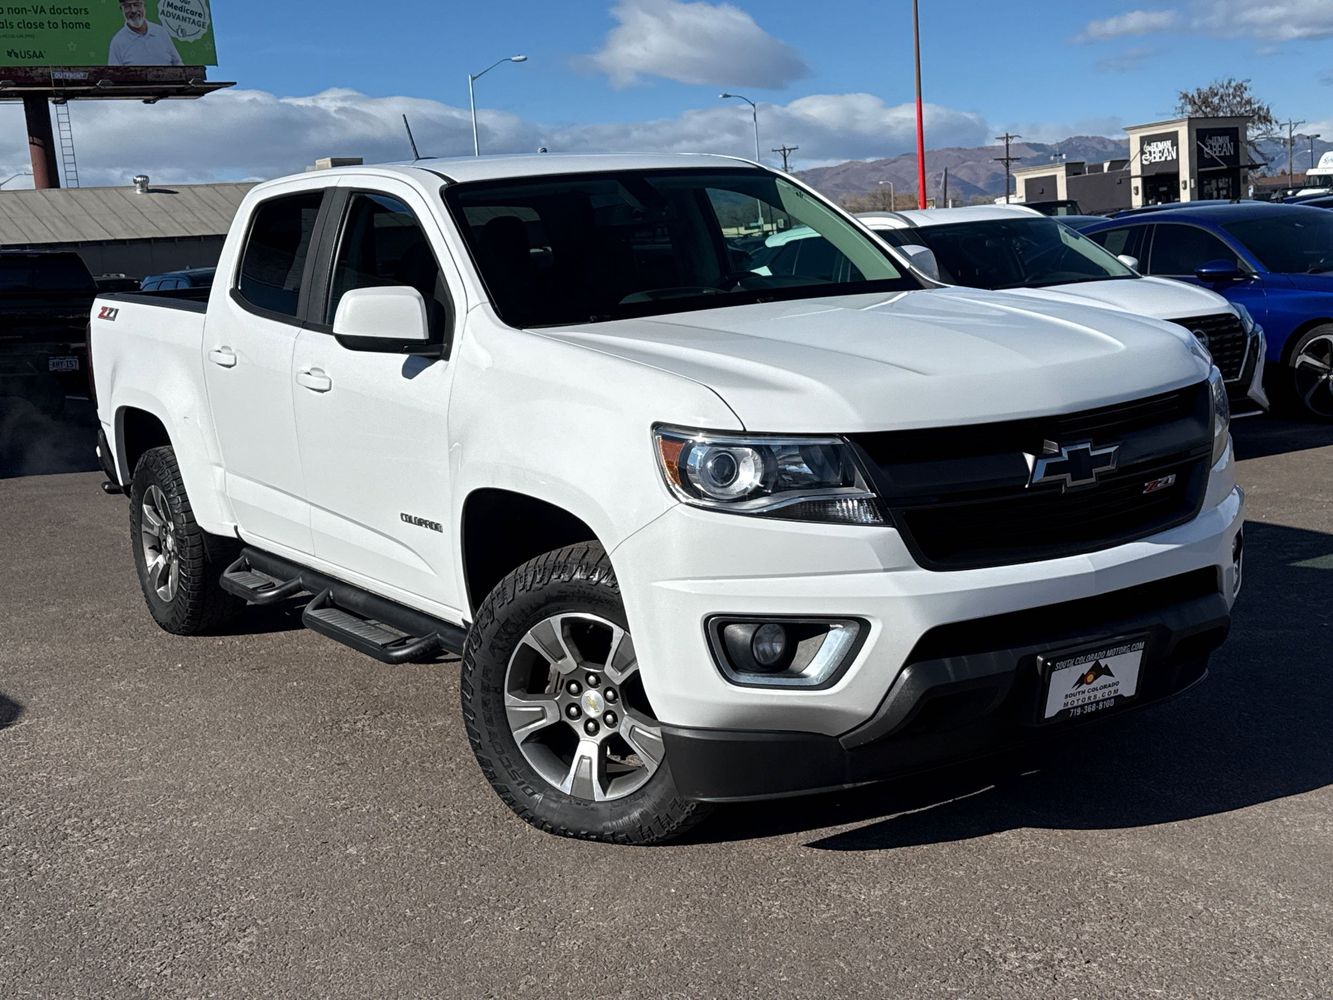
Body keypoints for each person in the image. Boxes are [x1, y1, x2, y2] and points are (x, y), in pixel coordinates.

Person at [107, 0, 183, 66]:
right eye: (127, 6)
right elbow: (114, 77)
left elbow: (178, 64)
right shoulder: (117, 42)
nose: (133, 10)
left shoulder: (161, 32)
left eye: (137, 4)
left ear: (144, 5)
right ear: (121, 9)